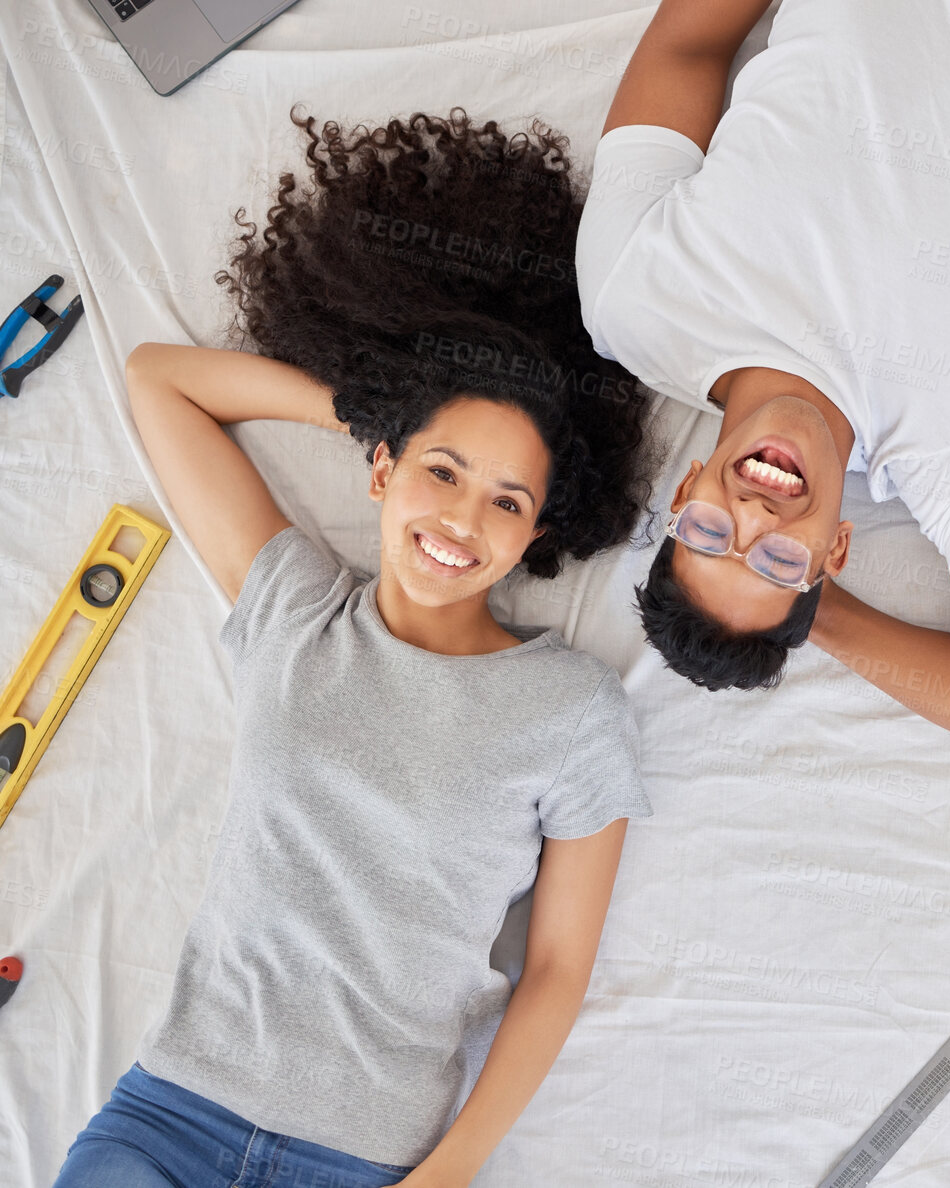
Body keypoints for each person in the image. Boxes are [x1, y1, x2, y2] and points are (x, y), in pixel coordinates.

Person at [53, 109, 655, 1187]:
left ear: (537, 534)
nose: (463, 519)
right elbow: (158, 380)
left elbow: (557, 970)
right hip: (168, 1121)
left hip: (365, 1162)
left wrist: (449, 1172)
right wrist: (377, 413)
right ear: (380, 473)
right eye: (441, 472)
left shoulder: (573, 710)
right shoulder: (296, 611)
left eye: (506, 500)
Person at [576, 0, 950, 769]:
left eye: (712, 537)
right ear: (836, 550)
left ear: (682, 496)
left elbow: (688, 45)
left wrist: (787, 583)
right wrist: (811, 611)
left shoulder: (633, 303)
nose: (753, 516)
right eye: (777, 558)